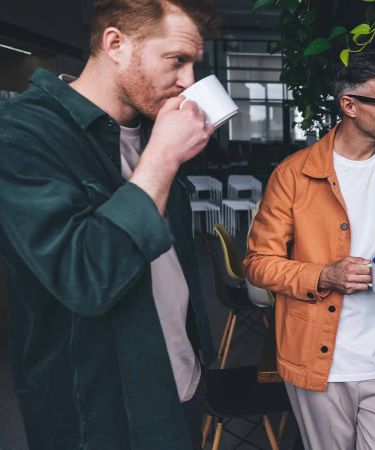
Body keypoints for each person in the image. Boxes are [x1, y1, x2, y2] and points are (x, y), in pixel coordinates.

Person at [0, 1, 218, 448]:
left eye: (194, 64)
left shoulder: (150, 126)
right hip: (100, 416)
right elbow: (85, 276)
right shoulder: (21, 134)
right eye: (177, 60)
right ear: (115, 43)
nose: (189, 82)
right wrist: (162, 159)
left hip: (183, 383)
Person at [244, 50, 375, 450]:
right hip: (320, 363)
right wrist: (324, 274)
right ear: (349, 105)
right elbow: (258, 265)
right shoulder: (292, 175)